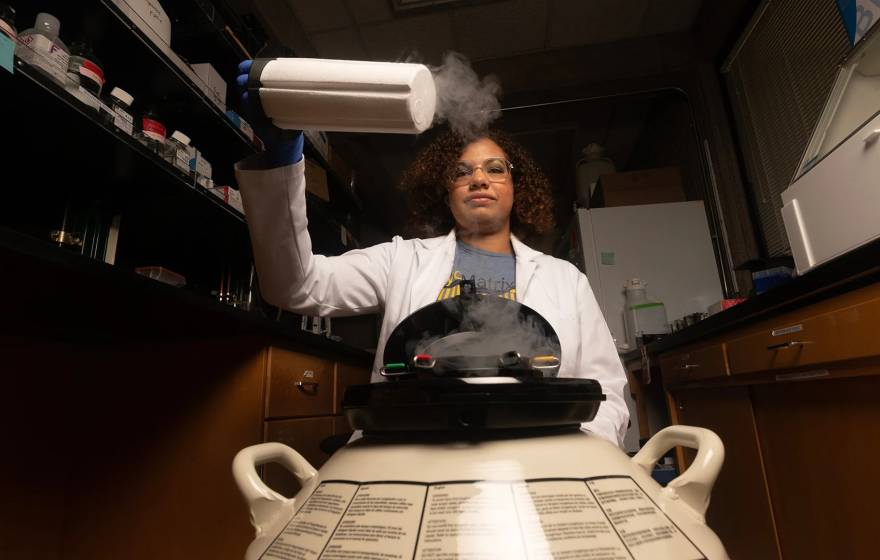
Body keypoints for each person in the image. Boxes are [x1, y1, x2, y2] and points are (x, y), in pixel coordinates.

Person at [234, 61, 629, 446]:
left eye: (495, 169)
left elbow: (607, 390)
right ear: (445, 193)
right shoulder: (402, 261)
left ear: (516, 188)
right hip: (413, 449)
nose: (478, 178)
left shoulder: (565, 280)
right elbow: (295, 286)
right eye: (461, 171)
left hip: (540, 455)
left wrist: (578, 458)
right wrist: (280, 163)